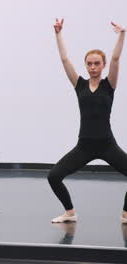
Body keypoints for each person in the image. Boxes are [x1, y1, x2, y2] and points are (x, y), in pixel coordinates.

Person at [48, 18, 127, 224]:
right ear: (86, 65)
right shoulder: (80, 85)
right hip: (84, 146)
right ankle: (70, 212)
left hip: (107, 144)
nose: (93, 67)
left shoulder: (109, 84)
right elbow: (65, 60)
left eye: (97, 63)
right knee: (53, 176)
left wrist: (121, 35)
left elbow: (117, 59)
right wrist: (58, 34)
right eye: (89, 64)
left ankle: (126, 214)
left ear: (103, 65)